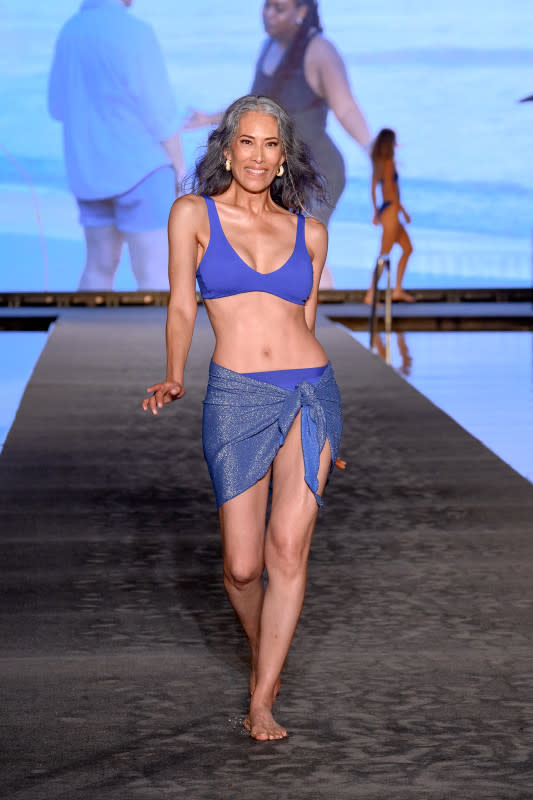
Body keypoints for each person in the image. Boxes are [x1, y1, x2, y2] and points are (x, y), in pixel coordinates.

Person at [142, 95, 342, 740]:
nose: (259, 156)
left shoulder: (308, 231)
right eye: (247, 143)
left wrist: (326, 431)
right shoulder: (192, 214)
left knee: (288, 549)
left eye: (271, 145)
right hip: (236, 393)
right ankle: (267, 657)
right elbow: (180, 304)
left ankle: (262, 698)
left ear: (284, 157)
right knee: (242, 567)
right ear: (227, 149)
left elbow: (306, 324)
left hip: (310, 391)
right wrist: (175, 372)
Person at [185, 0, 372, 287]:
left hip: (317, 170)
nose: (269, 15)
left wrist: (371, 146)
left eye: (279, 9)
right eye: (266, 6)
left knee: (301, 246)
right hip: (280, 169)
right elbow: (253, 108)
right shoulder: (268, 47)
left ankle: (319, 318)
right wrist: (208, 118)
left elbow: (345, 106)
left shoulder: (320, 50)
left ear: (301, 12)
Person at [48, 0, 186, 291]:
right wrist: (180, 167)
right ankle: (156, 339)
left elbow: (56, 107)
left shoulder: (69, 31)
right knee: (153, 274)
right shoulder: (137, 31)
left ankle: (90, 337)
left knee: (98, 268)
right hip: (143, 171)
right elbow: (160, 113)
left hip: (88, 173)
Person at [364, 128, 414, 304]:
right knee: (384, 254)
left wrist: (376, 212)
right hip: (392, 210)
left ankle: (398, 290)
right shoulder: (388, 163)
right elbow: (392, 192)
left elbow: (373, 190)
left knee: (407, 248)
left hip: (386, 210)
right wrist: (404, 211)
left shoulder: (378, 163)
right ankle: (371, 294)